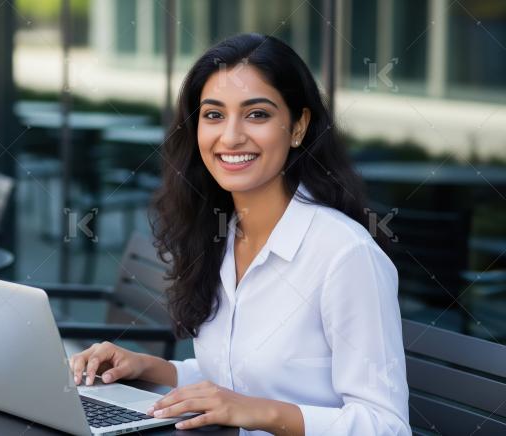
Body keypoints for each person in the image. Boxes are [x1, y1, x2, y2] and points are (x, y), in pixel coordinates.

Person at [69, 33, 409, 435]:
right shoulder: (220, 232)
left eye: (257, 114)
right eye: (214, 115)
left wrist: (262, 413)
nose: (230, 137)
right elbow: (236, 380)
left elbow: (387, 426)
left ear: (298, 126)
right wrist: (148, 368)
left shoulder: (345, 255)